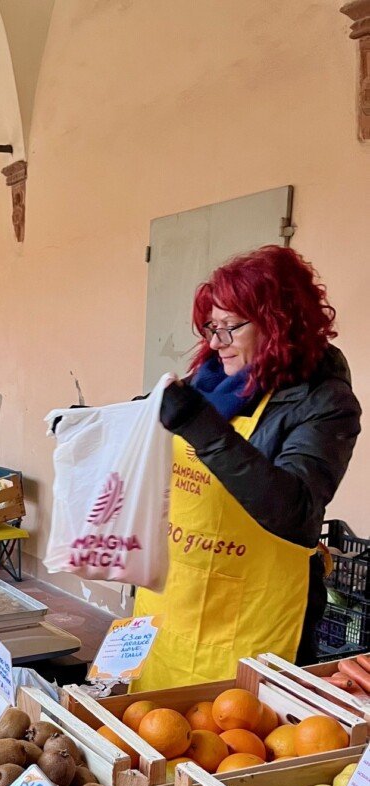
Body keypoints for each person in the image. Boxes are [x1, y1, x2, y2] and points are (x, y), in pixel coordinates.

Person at [132, 245, 361, 689]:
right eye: (211, 327)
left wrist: (196, 423)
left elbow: (295, 511)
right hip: (171, 601)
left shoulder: (325, 404)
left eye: (230, 328)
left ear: (281, 325)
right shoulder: (211, 383)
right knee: (150, 731)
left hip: (252, 619)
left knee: (237, 742)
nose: (216, 343)